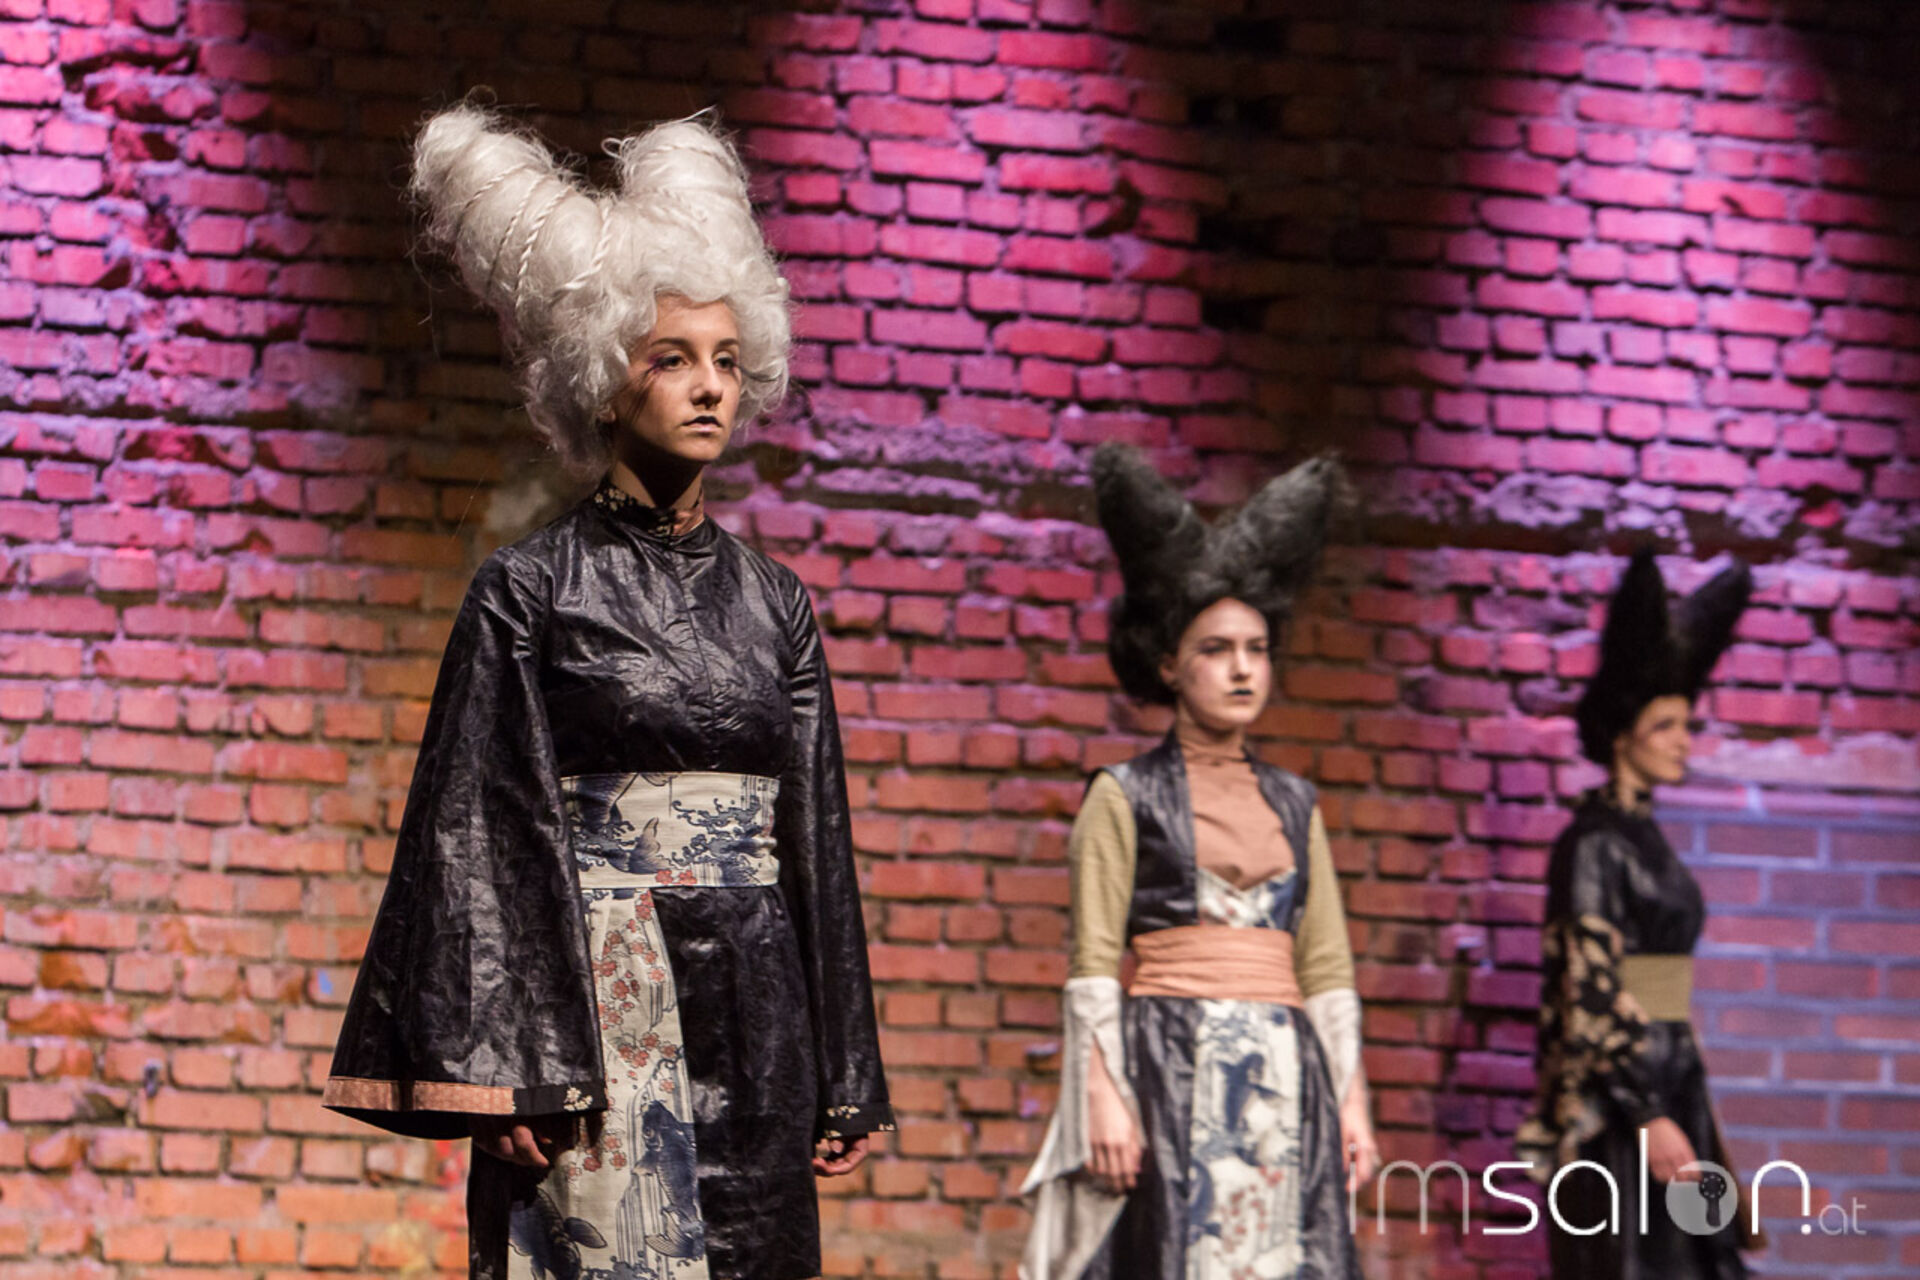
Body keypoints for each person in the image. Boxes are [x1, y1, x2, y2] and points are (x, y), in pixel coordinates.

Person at [322, 103, 891, 1280]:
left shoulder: (776, 603)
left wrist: (844, 1070)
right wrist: (505, 1064)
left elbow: (815, 835)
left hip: (757, 1004)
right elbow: (477, 833)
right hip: (597, 1006)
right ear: (602, 378)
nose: (708, 387)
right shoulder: (528, 590)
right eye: (671, 357)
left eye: (726, 359)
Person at [1021, 443, 1376, 1280]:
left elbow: (1327, 967)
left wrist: (1352, 1099)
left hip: (1287, 1080)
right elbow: (1092, 965)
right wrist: (1102, 1098)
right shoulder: (1124, 796)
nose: (1243, 668)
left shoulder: (1297, 803)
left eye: (1257, 648)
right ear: (1169, 664)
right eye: (1216, 649)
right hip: (1171, 1067)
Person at [1516, 547, 1755, 1279]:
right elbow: (1587, 992)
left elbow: (1659, 987)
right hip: (1623, 1101)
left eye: (1688, 724)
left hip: (1674, 1076)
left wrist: (1674, 1095)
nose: (1685, 740)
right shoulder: (1592, 845)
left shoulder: (1647, 839)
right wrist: (1644, 1109)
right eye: (1666, 725)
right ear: (1623, 735)